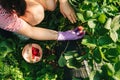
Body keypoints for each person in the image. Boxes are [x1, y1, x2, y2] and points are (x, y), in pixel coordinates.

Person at [0, 0, 85, 41]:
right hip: (12, 7)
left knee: (51, 5)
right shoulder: (2, 16)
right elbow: (31, 31)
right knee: (36, 14)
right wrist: (63, 35)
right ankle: (19, 29)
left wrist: (64, 2)